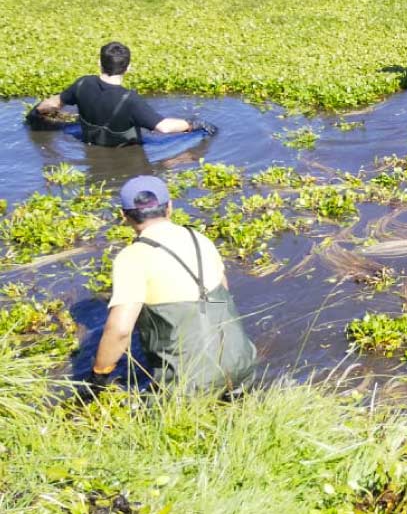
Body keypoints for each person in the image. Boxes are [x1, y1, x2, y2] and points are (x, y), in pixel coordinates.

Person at [87, 175, 257, 395]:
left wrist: (98, 376)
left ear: (124, 216)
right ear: (169, 207)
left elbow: (119, 330)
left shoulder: (132, 257)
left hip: (190, 385)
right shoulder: (200, 239)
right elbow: (223, 290)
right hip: (243, 365)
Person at [29, 42, 216, 147]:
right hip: (123, 150)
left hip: (89, 144)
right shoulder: (131, 100)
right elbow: (164, 128)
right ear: (128, 68)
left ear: (99, 63)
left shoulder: (83, 83)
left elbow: (53, 104)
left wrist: (38, 111)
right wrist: (193, 124)